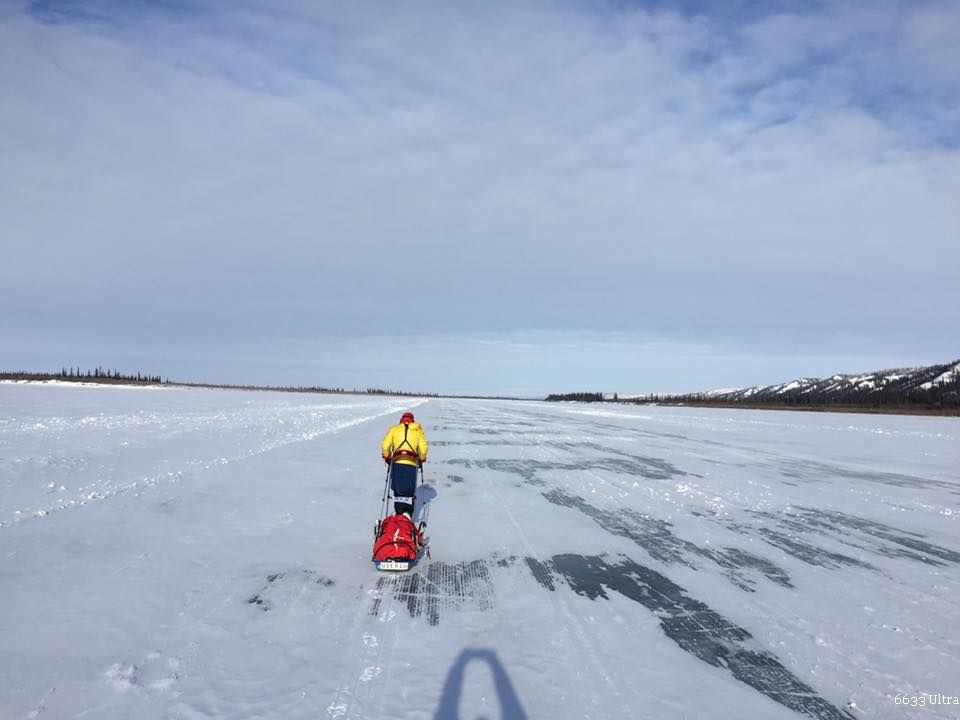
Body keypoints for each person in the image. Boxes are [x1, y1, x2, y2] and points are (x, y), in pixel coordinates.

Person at [380, 411, 428, 517]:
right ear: (412, 421)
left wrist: (387, 457)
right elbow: (423, 450)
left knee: (398, 490)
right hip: (411, 465)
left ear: (401, 420)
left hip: (397, 464)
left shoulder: (394, 429)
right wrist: (421, 459)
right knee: (409, 491)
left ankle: (399, 513)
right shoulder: (418, 431)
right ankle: (407, 515)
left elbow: (385, 446)